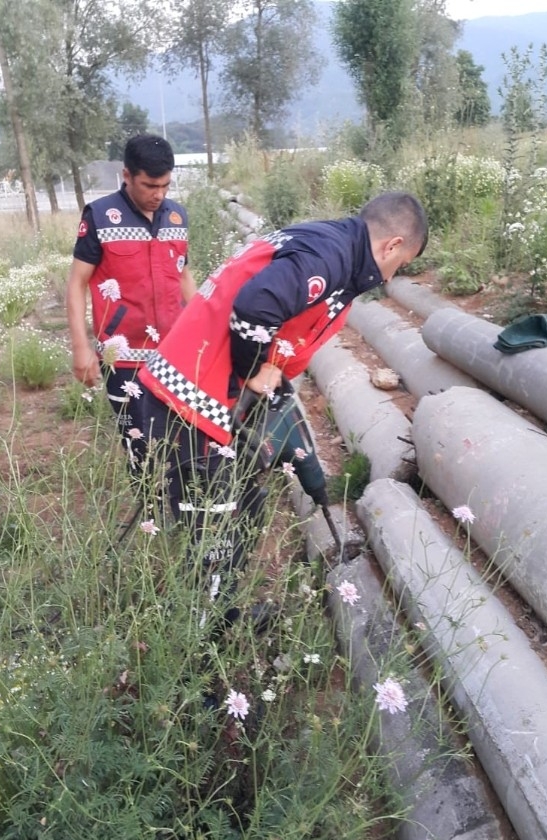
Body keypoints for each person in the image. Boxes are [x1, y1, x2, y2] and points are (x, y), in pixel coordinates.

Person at [138, 190, 428, 627]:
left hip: (209, 397)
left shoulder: (335, 251)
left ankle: (223, 612)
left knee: (245, 508)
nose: (391, 276)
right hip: (193, 401)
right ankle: (192, 671)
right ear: (392, 246)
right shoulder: (329, 258)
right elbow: (256, 308)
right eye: (399, 265)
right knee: (213, 532)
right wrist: (254, 370)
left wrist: (273, 378)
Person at [66, 133, 197, 474]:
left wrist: (202, 331)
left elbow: (183, 276)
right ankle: (149, 515)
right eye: (150, 185)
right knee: (140, 448)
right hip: (124, 360)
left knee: (183, 441)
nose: (159, 194)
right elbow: (77, 283)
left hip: (174, 354)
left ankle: (179, 510)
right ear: (127, 176)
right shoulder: (100, 216)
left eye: (166, 186)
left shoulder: (177, 219)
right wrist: (81, 347)